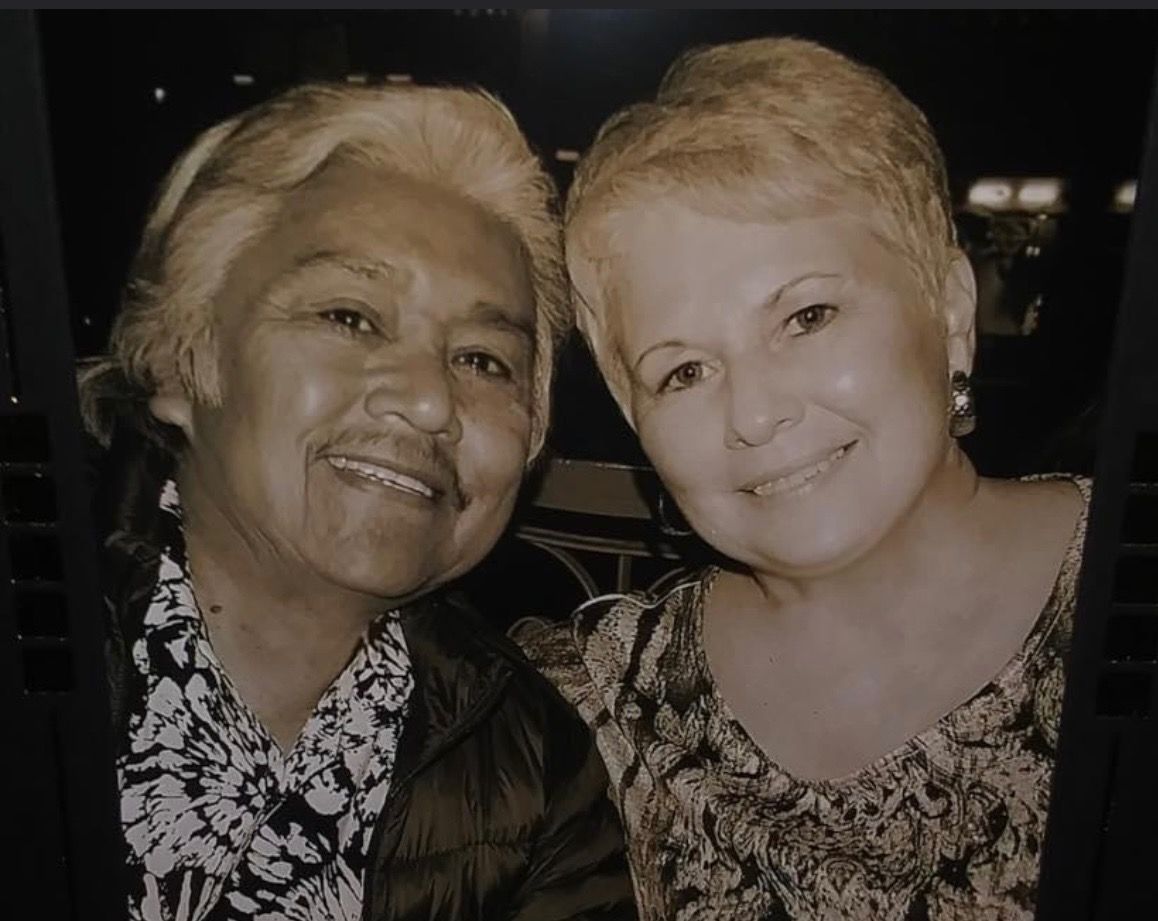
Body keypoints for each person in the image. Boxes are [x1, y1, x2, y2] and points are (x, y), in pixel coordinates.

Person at [518, 37, 1089, 920]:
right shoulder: (591, 710)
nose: (752, 414)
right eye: (684, 372)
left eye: (807, 316)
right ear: (639, 424)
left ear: (951, 309)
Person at [79, 82, 636, 921]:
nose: (428, 402)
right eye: (350, 316)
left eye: (485, 360)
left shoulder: (536, 770)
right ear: (175, 360)